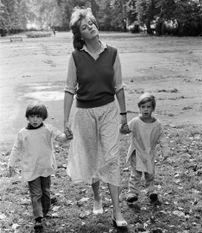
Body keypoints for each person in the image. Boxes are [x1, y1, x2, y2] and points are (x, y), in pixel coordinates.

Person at [63, 7, 130, 228]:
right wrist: (65, 120)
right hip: (84, 113)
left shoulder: (112, 52)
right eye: (85, 26)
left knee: (112, 159)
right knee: (92, 158)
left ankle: (117, 212)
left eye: (91, 22)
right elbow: (69, 89)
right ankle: (96, 196)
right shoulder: (76, 57)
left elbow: (119, 86)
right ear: (79, 35)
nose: (90, 26)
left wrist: (123, 115)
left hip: (109, 109)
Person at [7, 103, 71, 229]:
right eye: (32, 116)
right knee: (36, 193)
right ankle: (38, 218)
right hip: (31, 169)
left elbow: (61, 138)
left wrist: (68, 135)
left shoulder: (48, 129)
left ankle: (45, 211)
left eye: (38, 116)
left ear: (43, 117)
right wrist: (11, 163)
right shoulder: (23, 133)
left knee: (45, 192)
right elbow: (16, 148)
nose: (35, 119)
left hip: (45, 167)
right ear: (27, 117)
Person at [125, 93, 169, 205]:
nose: (145, 109)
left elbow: (162, 137)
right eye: (143, 107)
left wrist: (165, 152)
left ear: (153, 108)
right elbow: (126, 130)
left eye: (148, 107)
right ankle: (132, 193)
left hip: (149, 153)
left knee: (150, 173)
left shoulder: (157, 124)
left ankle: (151, 191)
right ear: (139, 108)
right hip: (137, 152)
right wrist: (122, 128)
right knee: (136, 173)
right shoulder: (135, 122)